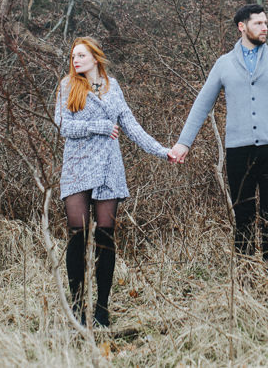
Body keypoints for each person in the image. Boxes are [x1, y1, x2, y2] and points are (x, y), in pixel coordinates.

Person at [55, 36, 177, 327]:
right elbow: (63, 125)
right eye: (73, 56)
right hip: (77, 166)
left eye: (81, 55)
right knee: (77, 235)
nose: (75, 60)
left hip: (108, 169)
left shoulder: (112, 86)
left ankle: (102, 308)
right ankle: (76, 308)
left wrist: (164, 151)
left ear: (95, 58)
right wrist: (99, 126)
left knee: (106, 238)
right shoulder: (67, 85)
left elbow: (131, 126)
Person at [170, 4, 268, 263]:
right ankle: (246, 277)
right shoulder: (224, 64)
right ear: (242, 27)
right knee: (243, 216)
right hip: (238, 152)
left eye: (266, 23)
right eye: (258, 23)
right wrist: (184, 143)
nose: (265, 28)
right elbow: (202, 104)